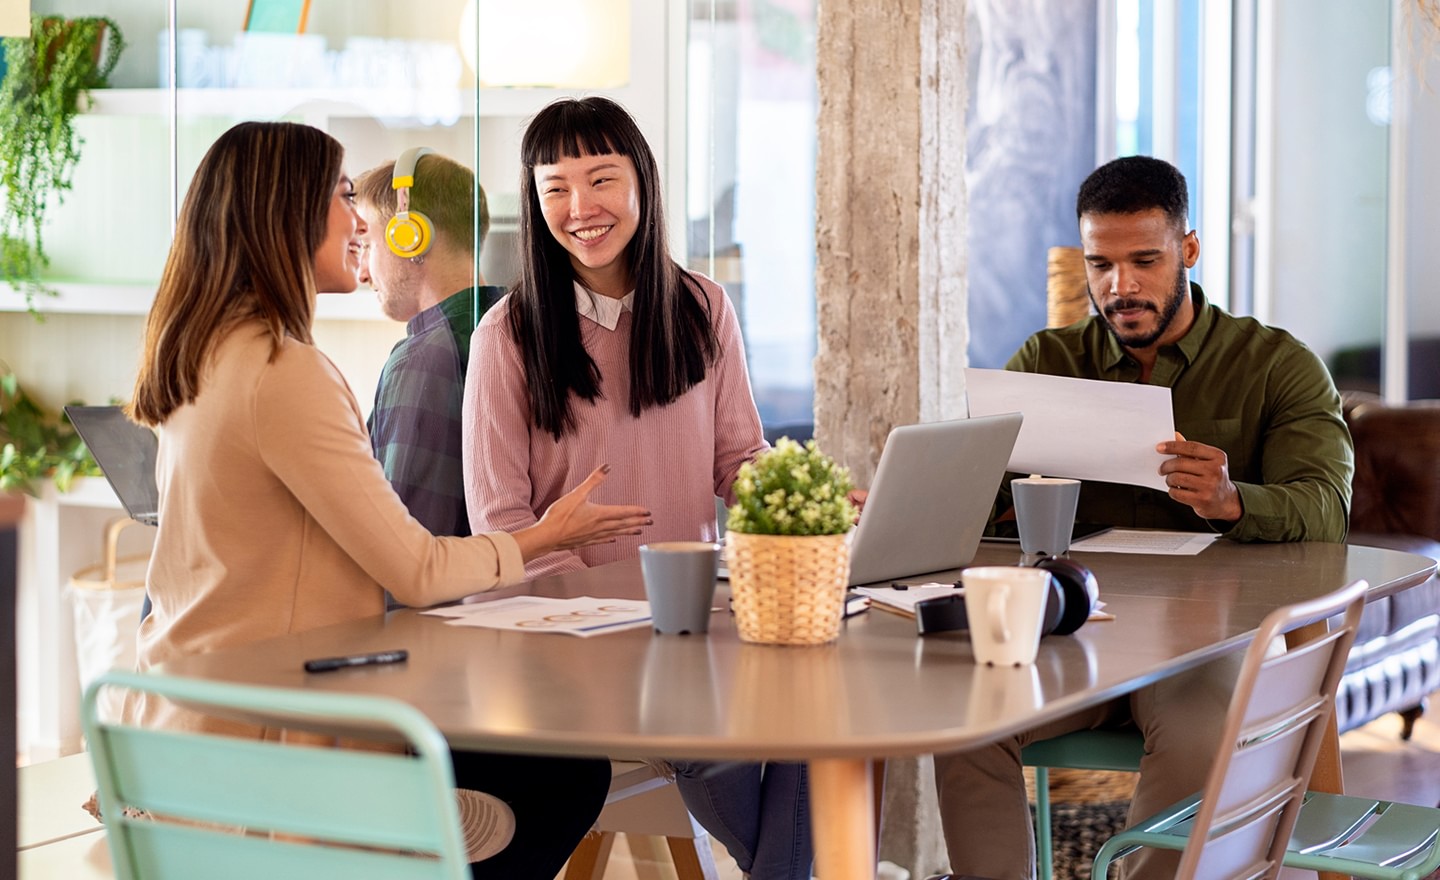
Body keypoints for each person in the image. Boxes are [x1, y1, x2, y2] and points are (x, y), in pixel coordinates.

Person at [123, 120, 650, 878]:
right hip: (275, 748)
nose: (356, 225)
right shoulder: (284, 371)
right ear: (287, 214)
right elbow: (416, 570)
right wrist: (545, 535)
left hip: (183, 720)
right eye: (342, 199)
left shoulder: (199, 355)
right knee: (564, 775)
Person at [933, 155, 1353, 880]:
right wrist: (926, 503)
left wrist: (1232, 500)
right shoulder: (1046, 361)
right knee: (966, 721)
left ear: (1188, 249)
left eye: (1144, 262)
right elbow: (976, 496)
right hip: (1075, 634)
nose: (1119, 287)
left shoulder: (1276, 365)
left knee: (1202, 731)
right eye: (1100, 264)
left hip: (1205, 644)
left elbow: (1327, 509)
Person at [461, 97, 811, 880]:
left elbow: (738, 459)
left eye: (601, 180)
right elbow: (500, 520)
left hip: (691, 625)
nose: (580, 208)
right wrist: (605, 617)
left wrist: (802, 497)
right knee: (718, 731)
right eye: (555, 188)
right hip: (573, 649)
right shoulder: (507, 336)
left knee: (816, 701)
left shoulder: (702, 307)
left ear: (642, 184)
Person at [354, 148, 608, 878]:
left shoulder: (426, 356)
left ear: (410, 236)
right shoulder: (532, 331)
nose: (363, 264)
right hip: (545, 664)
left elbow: (403, 558)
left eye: (368, 238)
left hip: (453, 691)